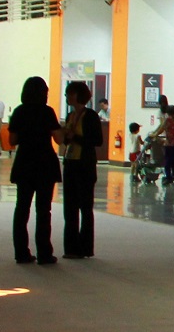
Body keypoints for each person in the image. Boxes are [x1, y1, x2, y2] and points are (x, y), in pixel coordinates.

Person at [8, 77, 61, 264]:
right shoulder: (47, 112)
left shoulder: (19, 111)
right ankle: (44, 253)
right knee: (44, 210)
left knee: (22, 209)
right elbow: (59, 139)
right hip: (45, 163)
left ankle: (21, 252)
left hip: (25, 162)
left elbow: (12, 140)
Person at [60, 80, 104, 259]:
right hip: (70, 162)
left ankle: (85, 247)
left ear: (78, 95)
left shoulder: (91, 116)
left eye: (70, 93)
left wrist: (74, 137)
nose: (67, 96)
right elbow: (66, 141)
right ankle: (71, 248)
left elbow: (97, 141)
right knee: (69, 207)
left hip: (84, 165)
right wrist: (65, 135)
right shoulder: (70, 115)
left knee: (85, 207)